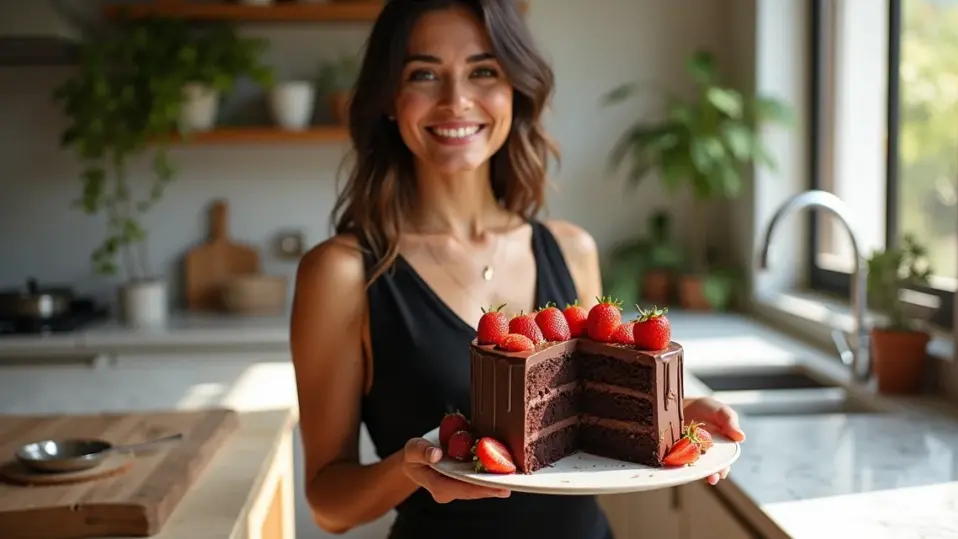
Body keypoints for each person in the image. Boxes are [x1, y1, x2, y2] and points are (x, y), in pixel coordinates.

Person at [288, 1, 746, 538]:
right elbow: (329, 506)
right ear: (390, 98)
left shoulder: (571, 249)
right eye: (424, 74)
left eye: (483, 71)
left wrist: (673, 414)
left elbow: (590, 412)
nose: (456, 100)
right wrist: (413, 467)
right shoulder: (341, 274)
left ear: (515, 91)